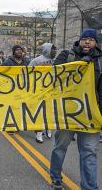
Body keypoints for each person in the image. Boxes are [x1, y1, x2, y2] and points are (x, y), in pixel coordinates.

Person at [50, 28, 102, 190]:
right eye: (84, 38)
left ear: (96, 43)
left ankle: (89, 187)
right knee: (60, 147)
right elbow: (54, 75)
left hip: (91, 114)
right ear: (79, 41)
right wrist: (77, 66)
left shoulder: (100, 61)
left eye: (91, 39)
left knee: (89, 152)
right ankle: (55, 176)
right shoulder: (66, 56)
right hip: (68, 112)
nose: (87, 42)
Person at [29, 43, 57, 143]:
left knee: (49, 111)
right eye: (53, 49)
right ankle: (39, 133)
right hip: (39, 90)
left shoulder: (56, 61)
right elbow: (27, 72)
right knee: (39, 111)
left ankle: (48, 128)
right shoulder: (36, 60)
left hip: (51, 90)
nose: (55, 51)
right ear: (47, 49)